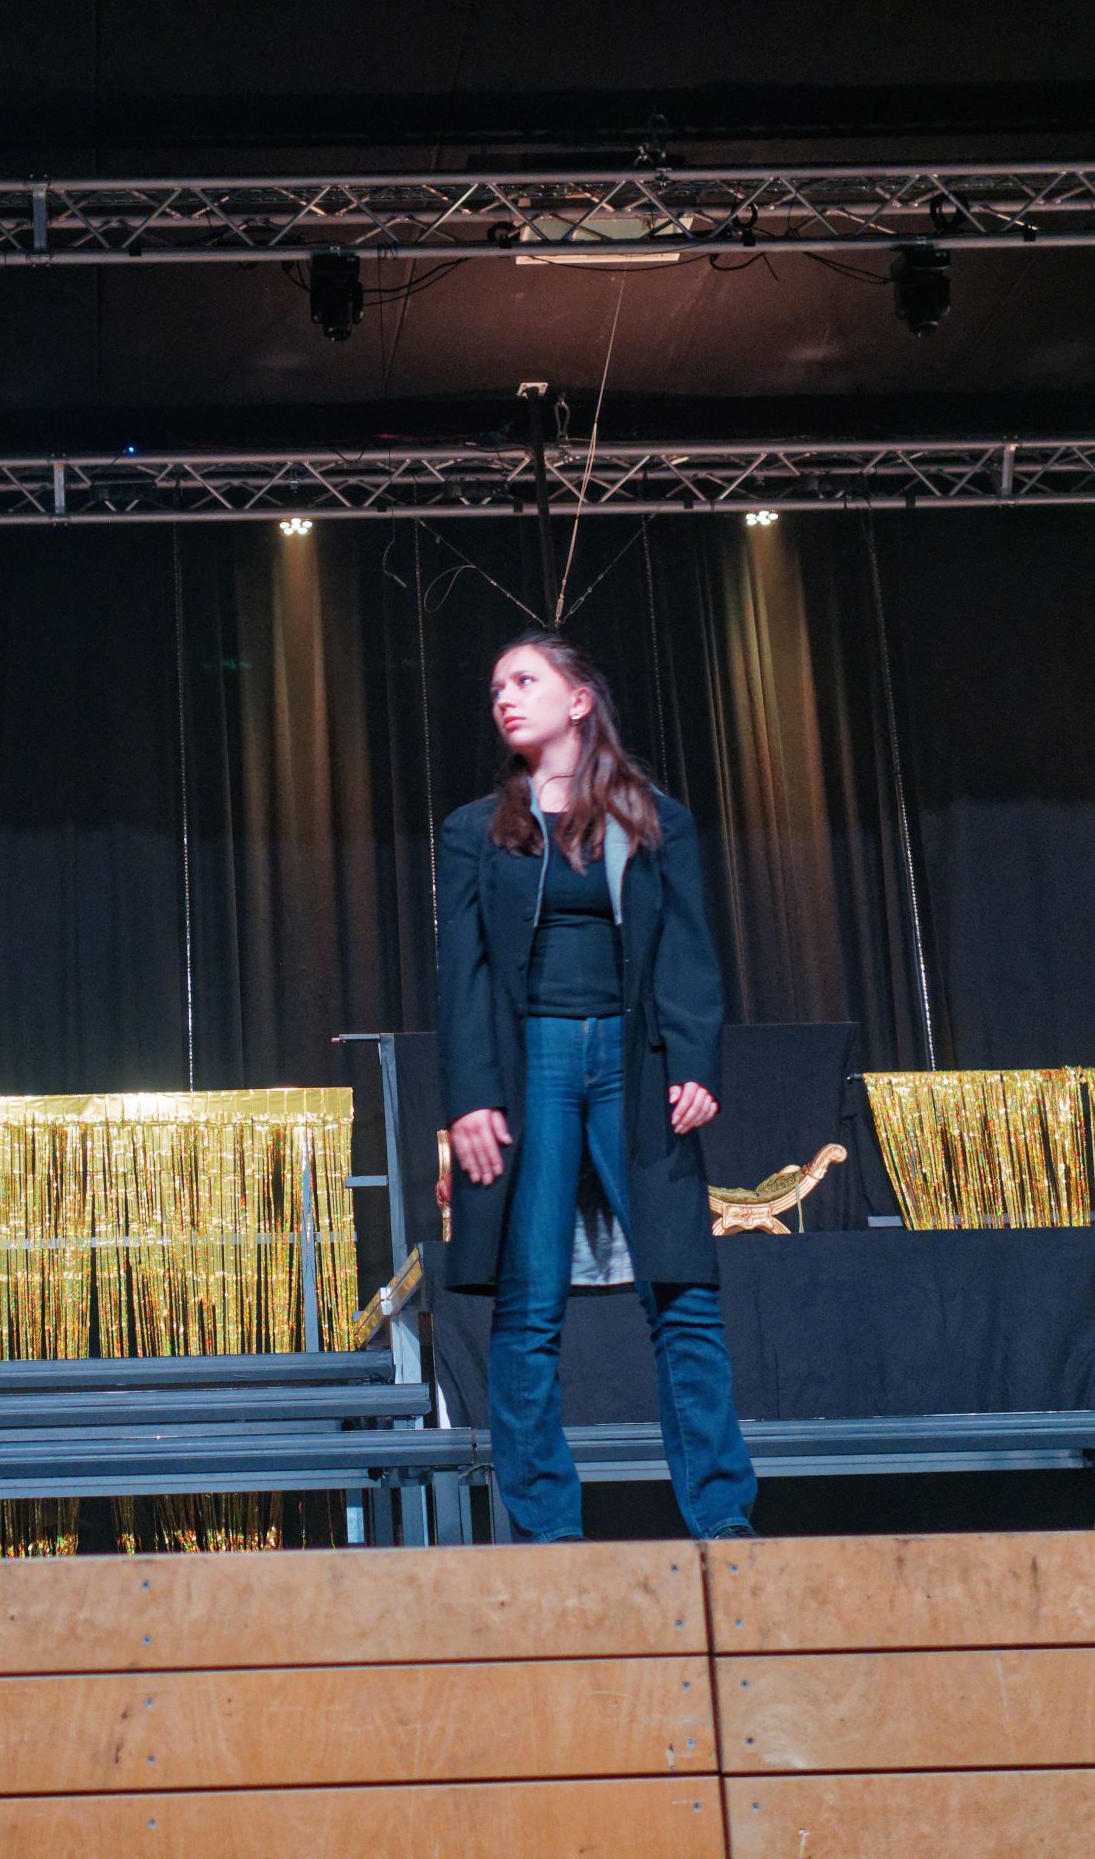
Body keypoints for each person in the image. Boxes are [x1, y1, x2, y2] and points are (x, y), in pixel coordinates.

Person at [436, 632, 757, 1543]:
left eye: (524, 680)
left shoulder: (652, 818)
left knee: (682, 1293)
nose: (505, 697)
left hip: (633, 1062)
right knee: (527, 1304)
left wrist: (694, 1060)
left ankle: (722, 1521)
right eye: (496, 687)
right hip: (530, 1064)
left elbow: (688, 946)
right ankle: (548, 1534)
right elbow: (462, 974)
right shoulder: (475, 830)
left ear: (579, 700)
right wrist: (471, 1096)